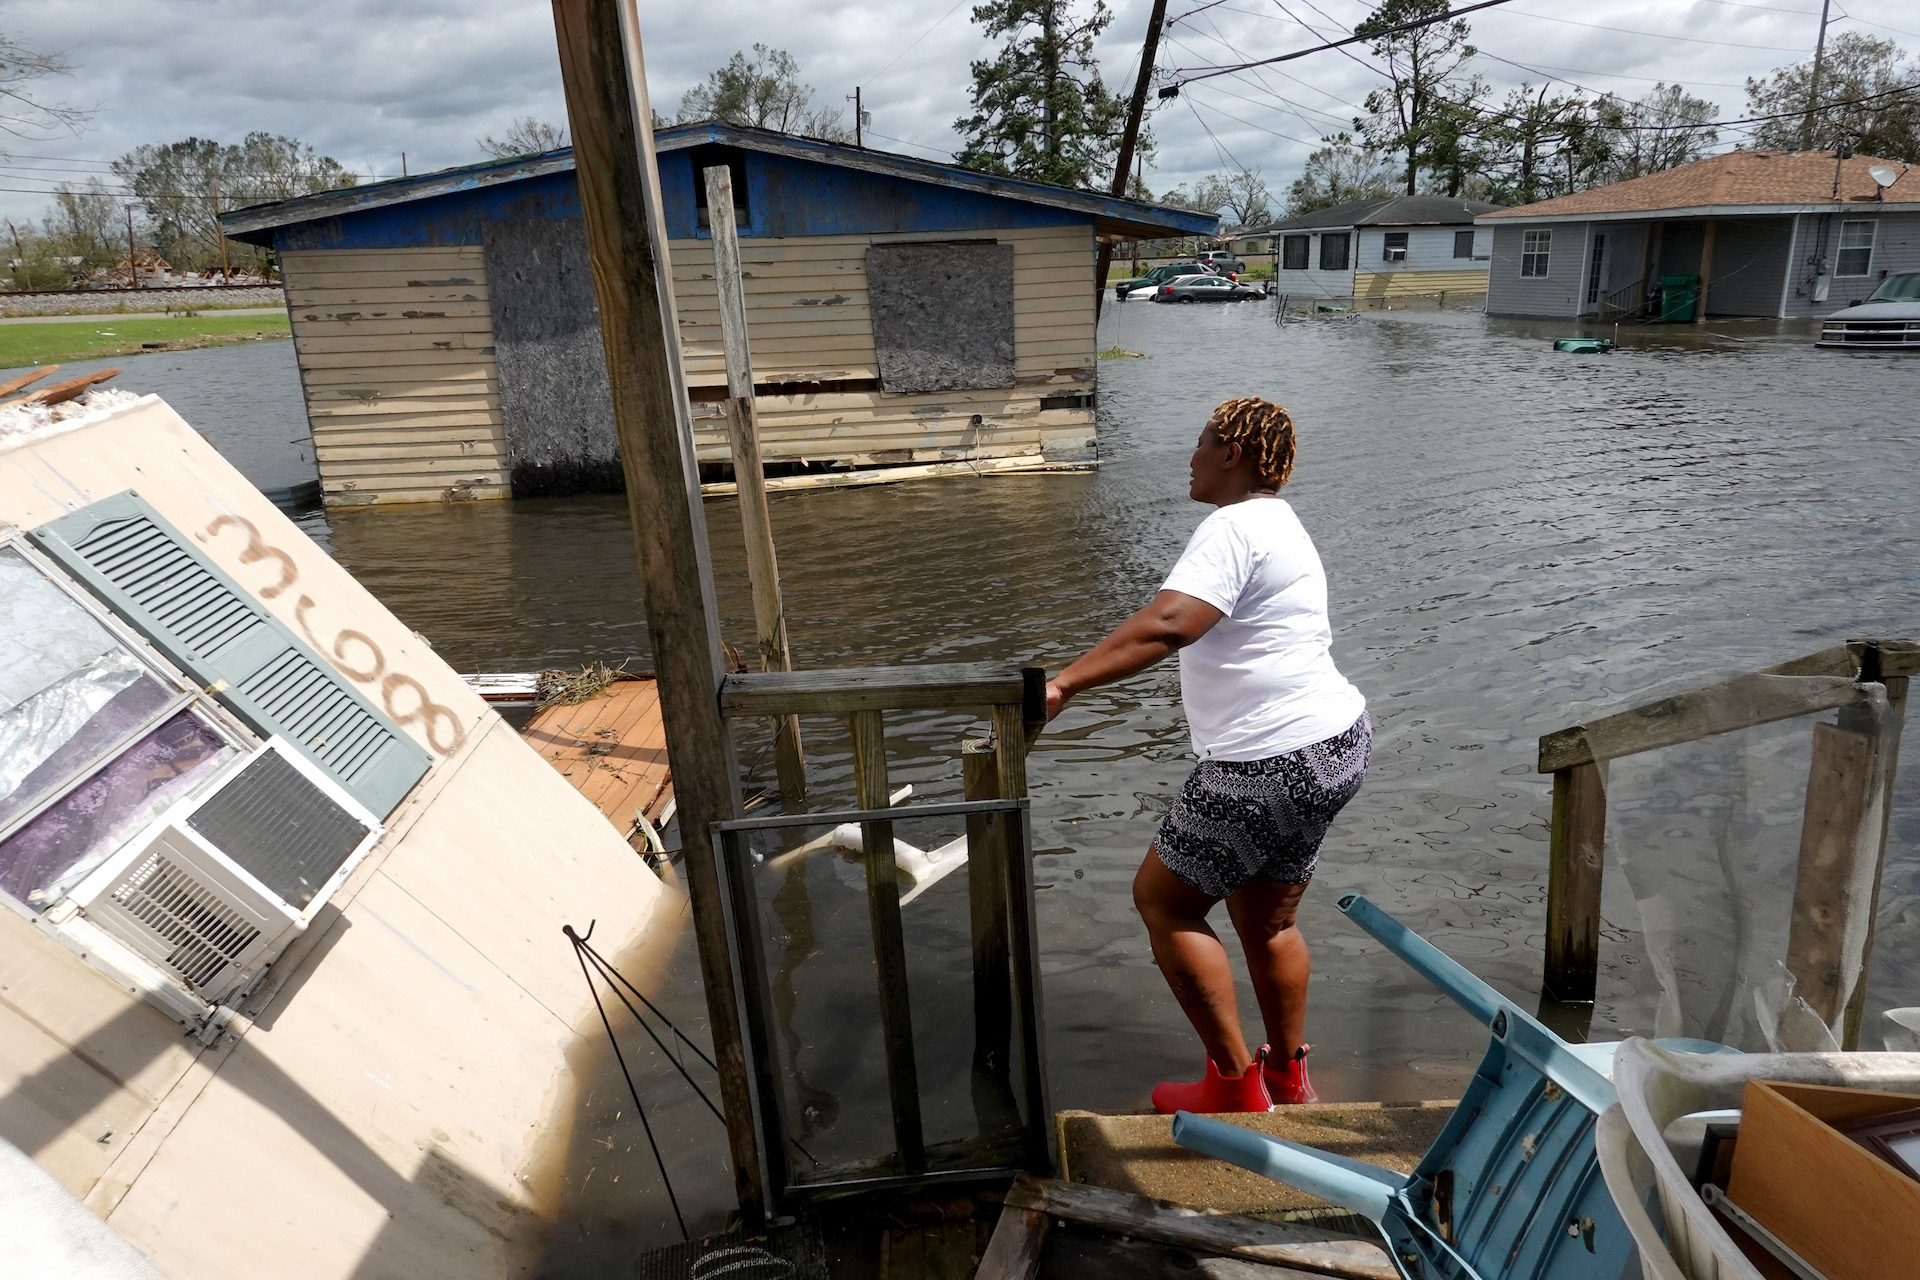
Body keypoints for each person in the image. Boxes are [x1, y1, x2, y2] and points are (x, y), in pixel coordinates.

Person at [1045, 397, 1369, 1113]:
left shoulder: (1232, 526)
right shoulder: (1281, 524)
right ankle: (1286, 1079)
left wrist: (1064, 684)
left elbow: (1170, 624)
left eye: (1199, 443)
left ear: (1231, 453)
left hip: (1269, 760)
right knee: (1269, 921)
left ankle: (1232, 1086)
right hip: (1335, 743)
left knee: (1164, 901)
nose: (1189, 458)